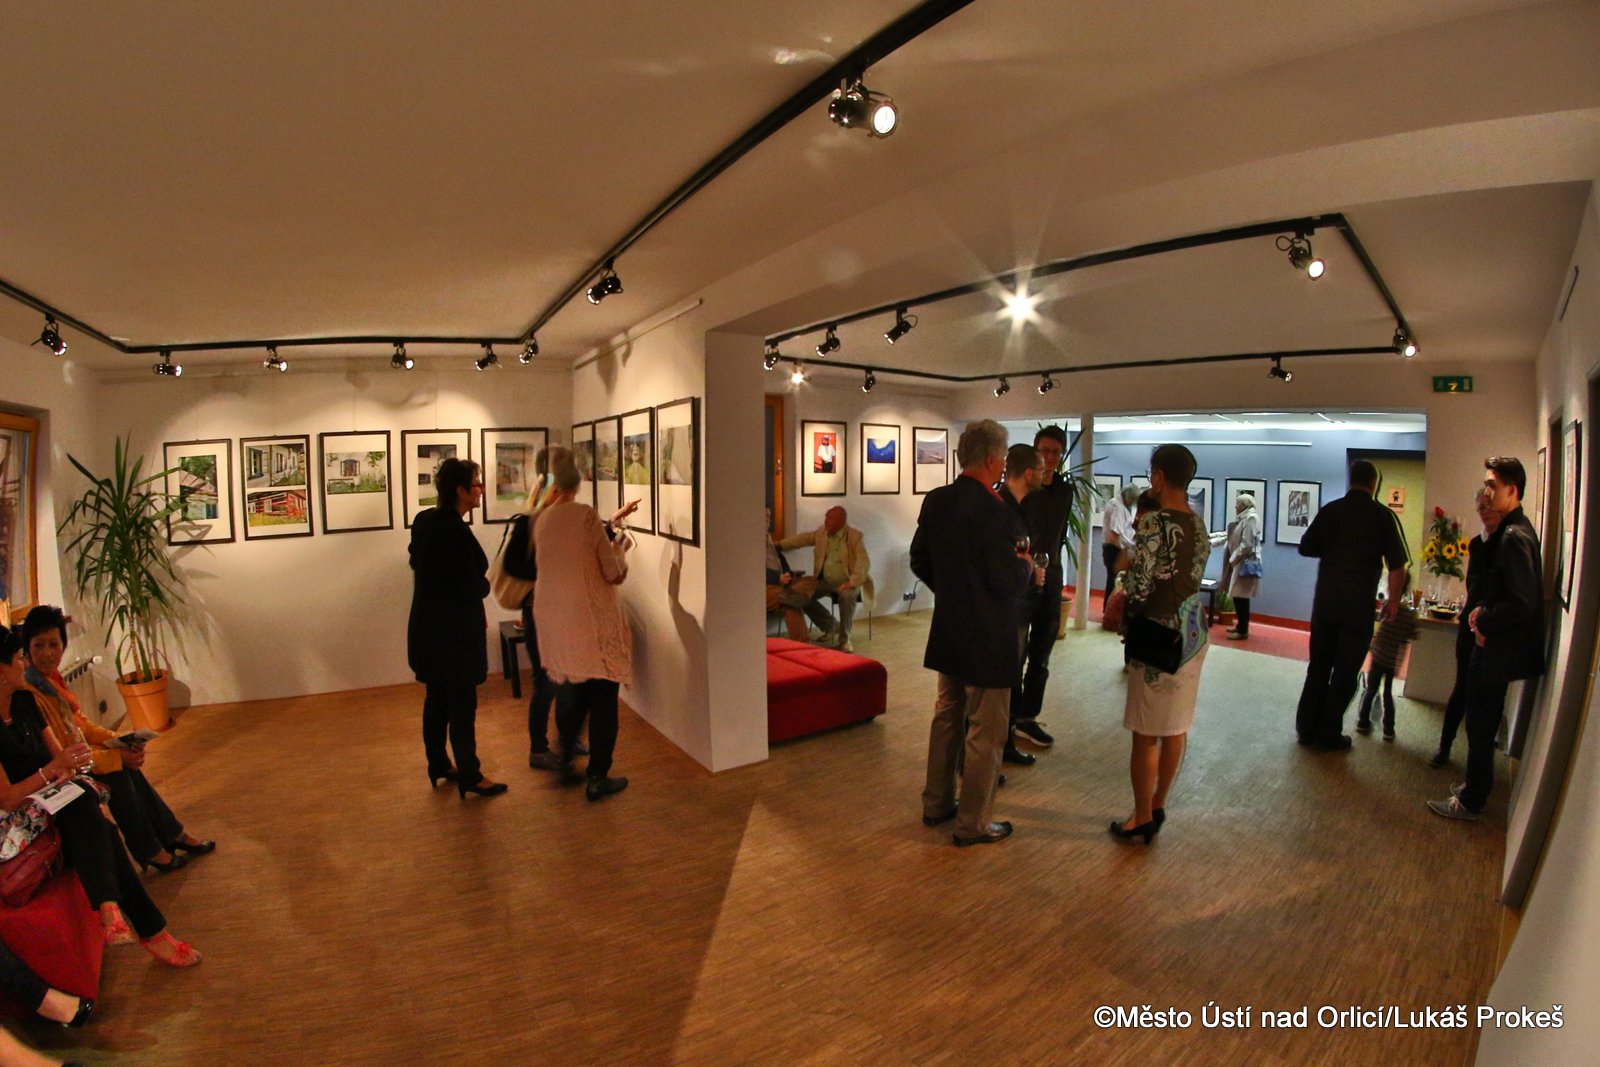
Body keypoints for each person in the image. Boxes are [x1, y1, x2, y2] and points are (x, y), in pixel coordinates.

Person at [0, 626, 199, 966]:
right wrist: (54, 771)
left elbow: (61, 757)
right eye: (20, 657)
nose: (26, 663)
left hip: (55, 801)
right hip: (16, 819)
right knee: (103, 830)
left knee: (86, 800)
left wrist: (68, 767)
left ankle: (114, 910)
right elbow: (7, 799)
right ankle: (144, 928)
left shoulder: (25, 702)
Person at [19, 606, 214, 873]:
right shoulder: (31, 693)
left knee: (126, 767)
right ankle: (153, 848)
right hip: (57, 772)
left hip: (73, 759)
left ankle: (169, 837)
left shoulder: (51, 680)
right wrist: (116, 756)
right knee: (119, 772)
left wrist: (119, 739)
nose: (47, 653)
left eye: (53, 644)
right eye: (39, 645)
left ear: (63, 645)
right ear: (26, 649)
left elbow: (82, 725)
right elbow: (61, 751)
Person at [911, 420, 1032, 847]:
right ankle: (973, 824)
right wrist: (1027, 570)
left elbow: (919, 559)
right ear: (992, 460)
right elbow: (1005, 581)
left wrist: (953, 592)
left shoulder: (937, 500)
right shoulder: (997, 511)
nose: (1003, 465)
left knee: (947, 717)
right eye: (1003, 458)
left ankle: (936, 803)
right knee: (986, 731)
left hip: (950, 628)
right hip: (989, 637)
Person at [1430, 457, 1546, 821]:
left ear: (1512, 490)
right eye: (1485, 485)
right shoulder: (1511, 532)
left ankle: (1471, 801)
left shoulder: (1514, 536)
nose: (1487, 493)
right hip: (1493, 646)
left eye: (1493, 485)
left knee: (1480, 725)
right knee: (1479, 721)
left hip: (1495, 649)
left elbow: (1522, 603)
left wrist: (1483, 618)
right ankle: (1473, 787)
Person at [1112, 445, 1210, 843]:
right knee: (1175, 727)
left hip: (1158, 636)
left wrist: (1124, 573)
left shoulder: (1154, 524)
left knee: (1146, 732)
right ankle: (1158, 803)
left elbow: (1139, 588)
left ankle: (1140, 818)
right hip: (1193, 634)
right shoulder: (1199, 526)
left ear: (1158, 477)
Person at [533, 451, 639, 802]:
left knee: (573, 691)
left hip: (557, 620)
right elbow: (612, 572)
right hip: (590, 620)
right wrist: (620, 547)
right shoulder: (585, 515)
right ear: (575, 481)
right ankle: (597, 777)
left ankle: (564, 760)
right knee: (604, 699)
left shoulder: (543, 519)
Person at [1293, 460, 1410, 752]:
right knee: (1346, 674)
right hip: (1357, 608)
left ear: (1351, 480)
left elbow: (1306, 547)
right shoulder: (1383, 516)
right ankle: (1328, 734)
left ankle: (1306, 729)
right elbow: (1398, 566)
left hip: (1326, 603)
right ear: (1374, 484)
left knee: (1318, 667)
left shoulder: (1330, 511)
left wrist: (1333, 549)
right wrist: (1393, 603)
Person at [408, 457, 506, 799]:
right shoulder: (454, 533)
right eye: (476, 484)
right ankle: (470, 774)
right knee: (462, 706)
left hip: (427, 630)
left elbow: (425, 567)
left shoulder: (424, 522)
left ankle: (438, 764)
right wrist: (487, 583)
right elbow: (471, 586)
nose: (481, 490)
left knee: (436, 700)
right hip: (455, 636)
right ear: (461, 491)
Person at [511, 448, 588, 772]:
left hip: (565, 610)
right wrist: (548, 571)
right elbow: (514, 564)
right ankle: (538, 748)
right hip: (539, 610)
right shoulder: (529, 521)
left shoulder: (566, 519)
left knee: (570, 676)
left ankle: (566, 738)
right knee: (545, 681)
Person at [1012, 426, 1075, 749]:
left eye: (1055, 452)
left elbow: (1059, 534)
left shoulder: (1065, 491)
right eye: (1045, 451)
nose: (1050, 458)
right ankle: (1009, 719)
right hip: (1022, 578)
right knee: (1016, 652)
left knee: (1041, 655)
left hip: (1052, 576)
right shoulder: (1023, 489)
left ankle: (1027, 718)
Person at [1430, 489, 1500, 768]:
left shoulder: (1506, 542)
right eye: (1481, 507)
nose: (1485, 512)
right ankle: (1444, 747)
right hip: (1469, 626)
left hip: (1491, 626)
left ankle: (1479, 759)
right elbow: (1474, 585)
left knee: (1484, 698)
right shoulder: (1475, 544)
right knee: (1461, 688)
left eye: (1489, 506)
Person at [998, 444, 1045, 768]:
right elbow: (1003, 564)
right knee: (1003, 680)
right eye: (1040, 469)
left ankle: (1005, 743)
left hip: (1017, 604)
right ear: (1029, 473)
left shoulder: (1018, 506)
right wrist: (1029, 569)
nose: (1045, 474)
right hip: (1005, 607)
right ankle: (991, 752)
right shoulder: (1001, 510)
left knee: (1012, 675)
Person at [774, 507, 873, 653]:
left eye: (830, 519)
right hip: (824, 581)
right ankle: (832, 627)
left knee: (847, 597)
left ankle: (845, 640)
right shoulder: (822, 533)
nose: (826, 522)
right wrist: (778, 544)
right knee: (799, 595)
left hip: (848, 582)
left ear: (842, 521)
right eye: (826, 518)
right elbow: (802, 539)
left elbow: (863, 562)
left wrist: (852, 583)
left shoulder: (854, 536)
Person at [1356, 571, 1421, 739]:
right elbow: (1411, 636)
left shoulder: (1386, 608)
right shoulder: (1408, 614)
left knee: (1371, 689)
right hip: (1392, 660)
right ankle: (1388, 729)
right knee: (1387, 693)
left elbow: (1379, 632)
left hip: (1378, 655)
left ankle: (1363, 721)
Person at [765, 508, 818, 643]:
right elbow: (750, 570)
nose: (768, 519)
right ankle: (803, 646)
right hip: (764, 587)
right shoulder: (748, 541)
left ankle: (792, 594)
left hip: (782, 584)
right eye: (764, 515)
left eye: (769, 516)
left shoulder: (768, 538)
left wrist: (787, 574)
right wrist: (777, 578)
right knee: (791, 604)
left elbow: (780, 560)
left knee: (812, 581)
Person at [1223, 493, 1263, 640]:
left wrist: (1233, 559)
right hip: (1241, 561)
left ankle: (1243, 630)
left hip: (1245, 562)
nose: (1235, 506)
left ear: (1244, 505)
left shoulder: (1251, 518)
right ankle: (1240, 626)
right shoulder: (1244, 518)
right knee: (1238, 596)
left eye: (1238, 504)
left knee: (1242, 597)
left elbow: (1247, 544)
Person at [1101, 485, 1139, 609]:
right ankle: (1109, 610)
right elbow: (1114, 535)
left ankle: (1116, 609)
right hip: (1114, 549)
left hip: (1124, 547)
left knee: (1121, 581)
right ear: (1127, 497)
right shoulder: (1116, 506)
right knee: (1114, 581)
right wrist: (1130, 546)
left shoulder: (1129, 506)